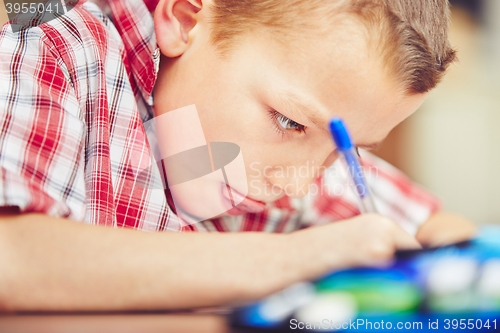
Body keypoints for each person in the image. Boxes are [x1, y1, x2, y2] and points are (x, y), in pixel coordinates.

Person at [0, 0, 476, 311]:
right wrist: (297, 256)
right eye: (289, 122)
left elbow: (436, 228)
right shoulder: (57, 49)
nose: (296, 183)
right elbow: (14, 259)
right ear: (185, 20)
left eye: (343, 152)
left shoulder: (297, 157)